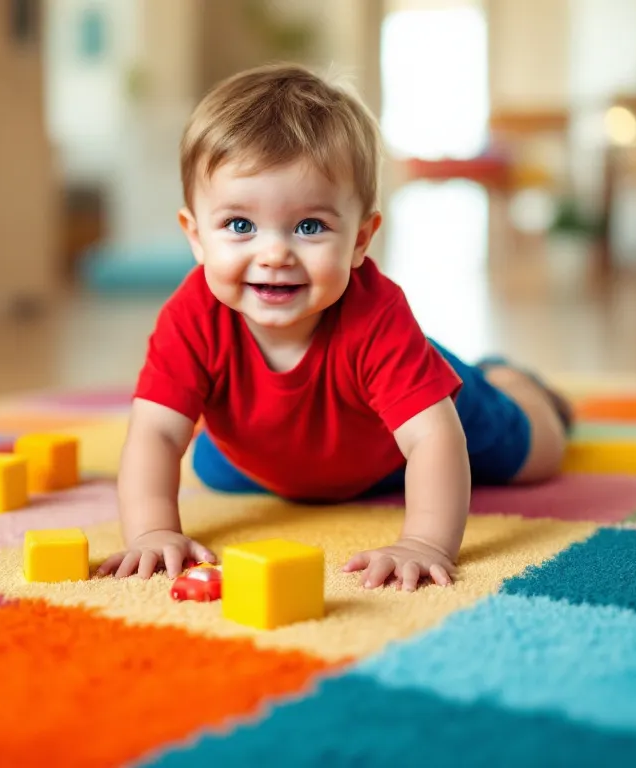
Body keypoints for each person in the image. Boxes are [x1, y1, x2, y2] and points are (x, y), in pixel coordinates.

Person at [96, 62, 572, 591]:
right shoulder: (191, 316)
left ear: (361, 240)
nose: (274, 253)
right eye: (239, 225)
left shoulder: (377, 316)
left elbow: (434, 439)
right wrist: (152, 530)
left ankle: (510, 381)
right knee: (212, 467)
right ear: (196, 235)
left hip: (403, 435)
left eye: (309, 226)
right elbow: (156, 432)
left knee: (540, 452)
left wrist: (424, 543)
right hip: (271, 451)